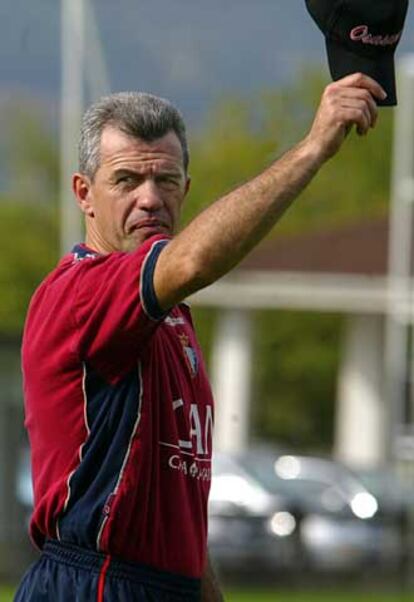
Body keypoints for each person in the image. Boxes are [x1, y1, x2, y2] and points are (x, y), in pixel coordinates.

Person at [15, 72, 385, 601]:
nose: (149, 199)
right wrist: (313, 148)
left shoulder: (171, 321)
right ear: (84, 194)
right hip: (93, 583)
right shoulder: (81, 293)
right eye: (125, 181)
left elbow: (178, 527)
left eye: (165, 181)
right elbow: (193, 258)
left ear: (185, 190)